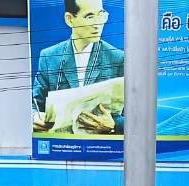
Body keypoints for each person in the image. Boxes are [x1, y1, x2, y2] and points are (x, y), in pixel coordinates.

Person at [32, 0, 124, 135]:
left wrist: (113, 125)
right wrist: (34, 117)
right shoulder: (49, 57)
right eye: (90, 17)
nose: (97, 24)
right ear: (70, 19)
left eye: (101, 15)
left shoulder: (117, 58)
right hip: (61, 144)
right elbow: (35, 104)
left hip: (101, 145)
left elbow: (135, 117)